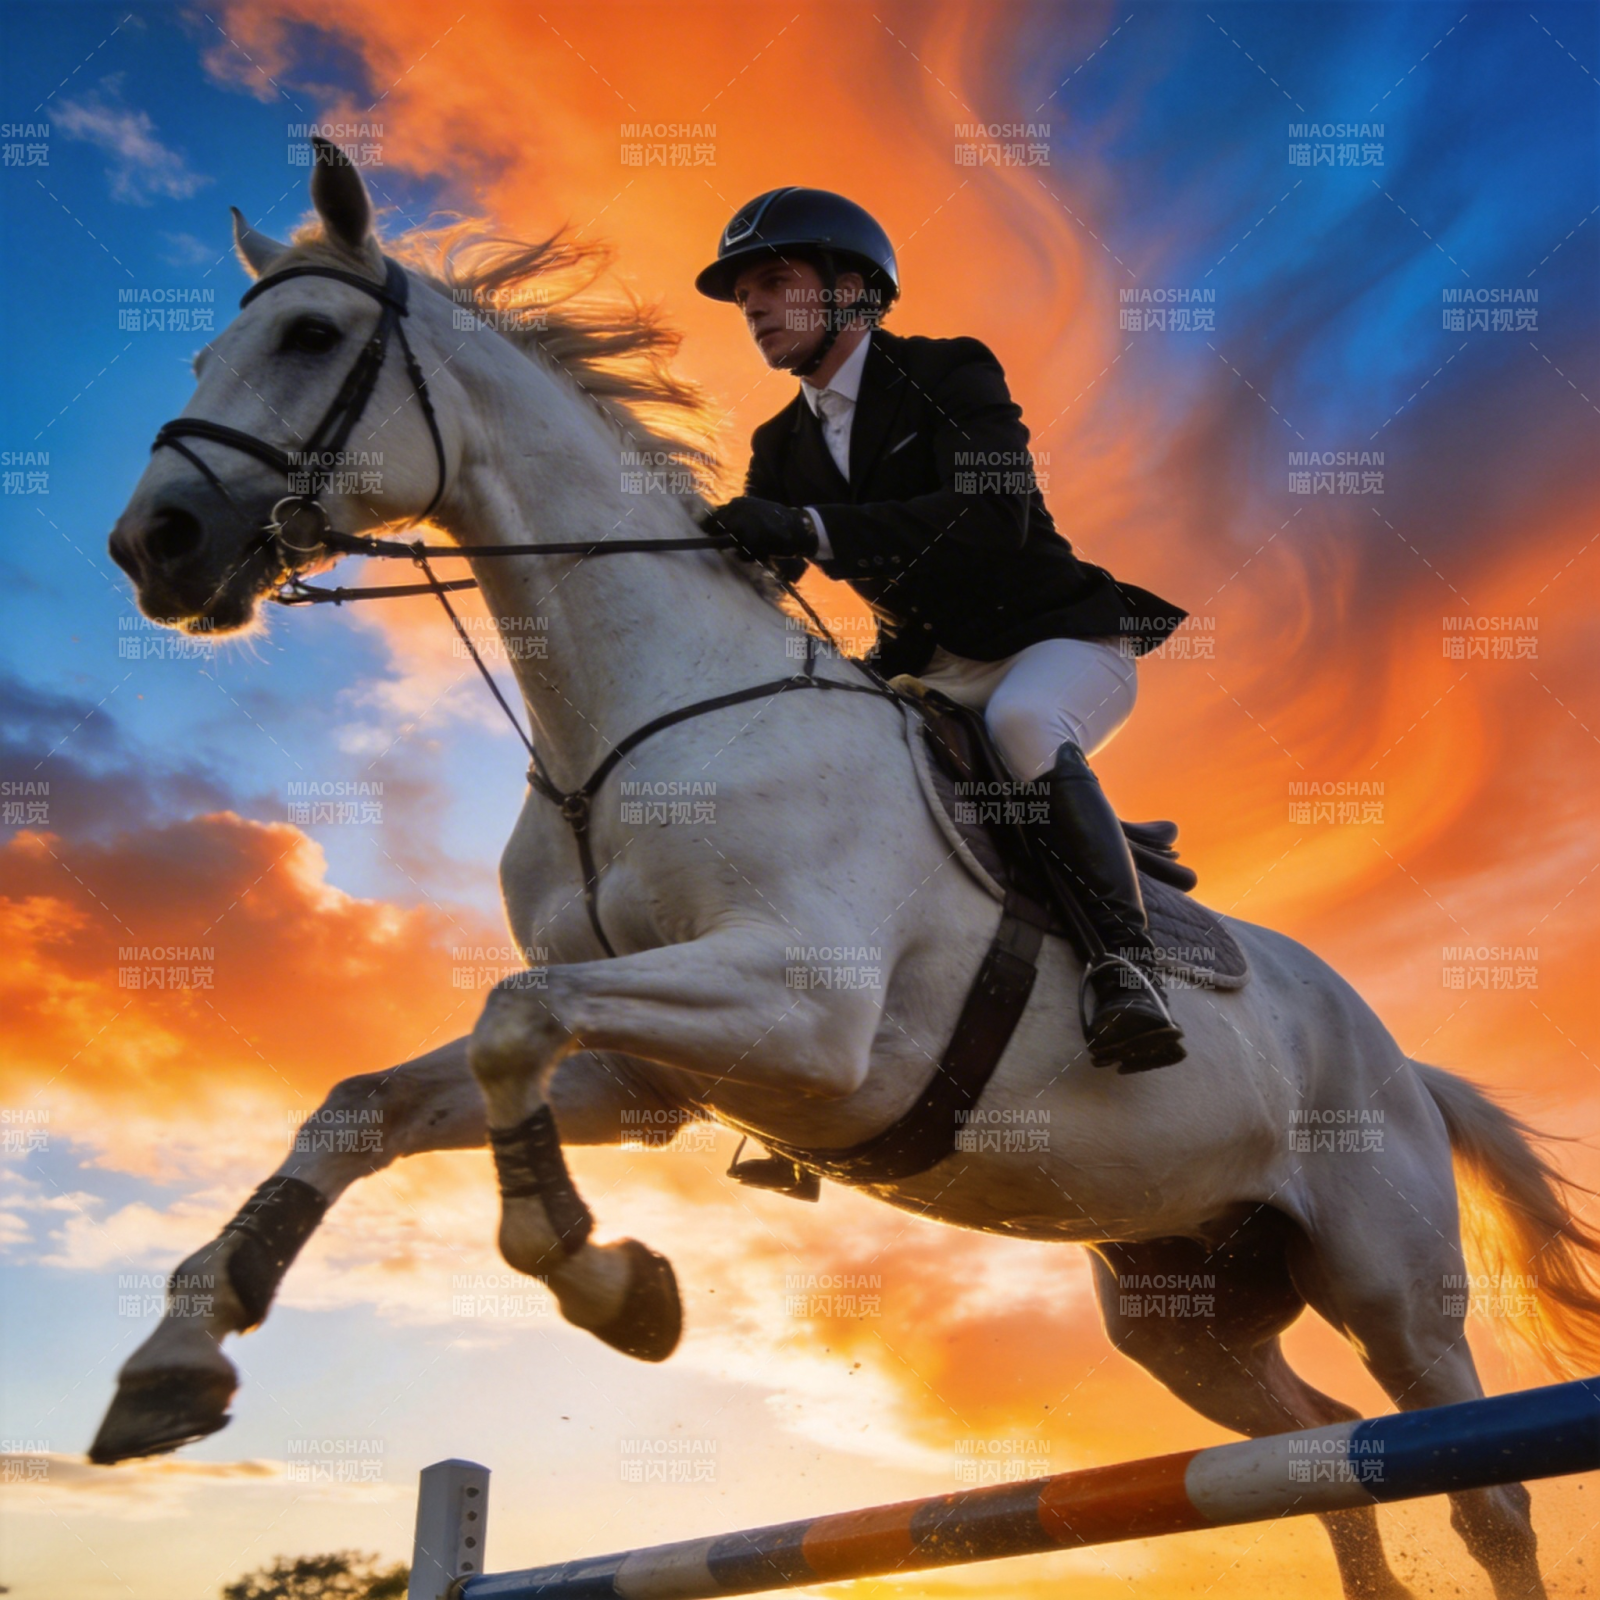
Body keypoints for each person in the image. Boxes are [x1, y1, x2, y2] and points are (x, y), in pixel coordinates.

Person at [696, 187, 1190, 1072]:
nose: (756, 309)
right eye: (744, 300)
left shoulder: (952, 370)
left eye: (773, 281)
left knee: (1024, 728)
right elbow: (765, 572)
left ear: (852, 289)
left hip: (1057, 641)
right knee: (821, 753)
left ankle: (1128, 967)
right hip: (931, 664)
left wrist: (811, 528)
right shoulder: (780, 445)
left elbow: (992, 514)